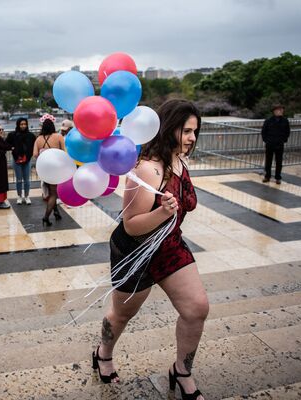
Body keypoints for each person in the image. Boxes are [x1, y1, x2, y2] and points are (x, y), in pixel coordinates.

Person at [94, 100, 207, 400]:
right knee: (122, 313)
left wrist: (168, 216)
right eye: (186, 130)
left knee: (197, 309)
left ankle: (182, 372)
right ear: (169, 128)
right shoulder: (148, 169)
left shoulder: (179, 161)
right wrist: (161, 213)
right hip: (135, 251)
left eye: (195, 131)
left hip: (168, 245)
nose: (191, 138)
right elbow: (131, 224)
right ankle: (103, 353)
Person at [33, 115, 65, 226]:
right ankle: (46, 217)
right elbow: (64, 152)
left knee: (52, 191)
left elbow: (35, 154)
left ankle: (56, 212)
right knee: (53, 194)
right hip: (55, 168)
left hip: (44, 169)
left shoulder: (39, 139)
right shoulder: (58, 136)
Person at [6, 117, 36, 205]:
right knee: (19, 180)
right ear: (18, 125)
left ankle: (26, 196)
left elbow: (34, 145)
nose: (23, 126)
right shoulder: (12, 135)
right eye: (21, 124)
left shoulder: (30, 135)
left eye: (25, 124)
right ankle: (19, 196)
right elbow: (6, 143)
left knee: (27, 180)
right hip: (16, 160)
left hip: (27, 160)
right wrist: (12, 148)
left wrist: (29, 155)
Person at [261, 104, 290, 184]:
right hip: (270, 144)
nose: (281, 111)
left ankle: (278, 177)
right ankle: (267, 176)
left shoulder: (285, 120)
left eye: (282, 109)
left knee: (279, 162)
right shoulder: (268, 120)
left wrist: (283, 140)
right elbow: (264, 132)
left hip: (279, 144)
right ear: (275, 111)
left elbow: (287, 132)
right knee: (268, 161)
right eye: (280, 110)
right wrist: (266, 140)